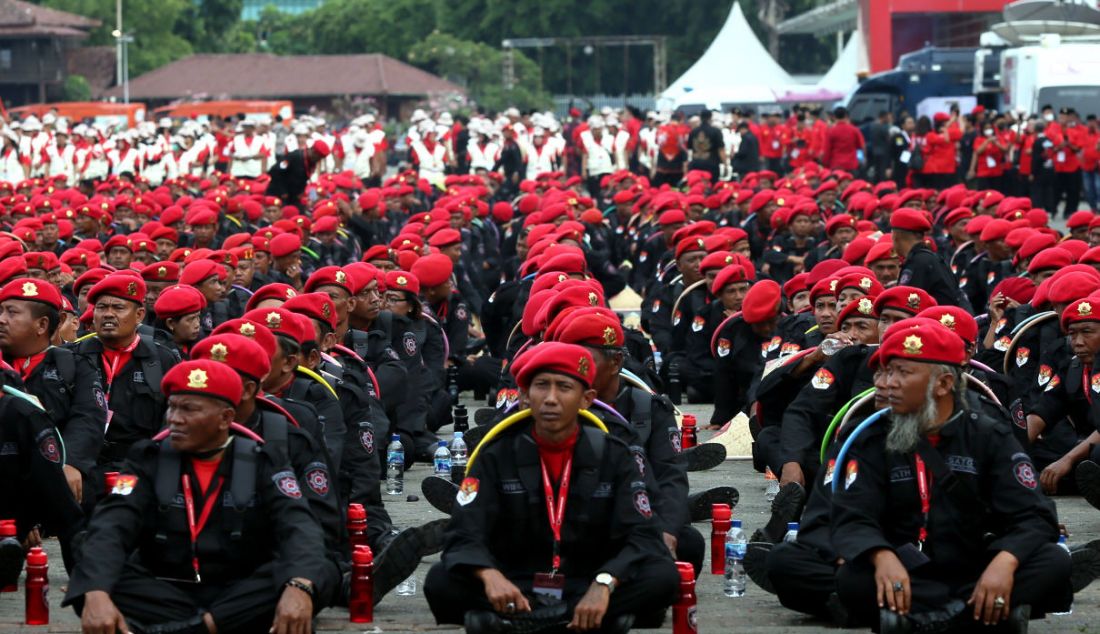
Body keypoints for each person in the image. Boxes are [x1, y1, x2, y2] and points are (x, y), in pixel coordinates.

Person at [63, 360, 338, 634]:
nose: (174, 418)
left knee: (313, 573)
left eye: (189, 409)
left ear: (226, 418)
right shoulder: (147, 459)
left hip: (239, 588)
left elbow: (298, 526)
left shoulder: (264, 460)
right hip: (167, 589)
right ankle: (213, 625)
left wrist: (299, 584)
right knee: (91, 566)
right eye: (172, 406)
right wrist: (96, 591)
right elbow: (112, 523)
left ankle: (186, 627)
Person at [831, 323, 1072, 631]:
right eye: (883, 372)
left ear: (943, 383)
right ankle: (976, 618)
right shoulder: (867, 438)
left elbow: (1036, 515)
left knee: (1054, 561)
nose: (885, 383)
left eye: (901, 373)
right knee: (851, 578)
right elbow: (851, 516)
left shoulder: (988, 435)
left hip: (977, 566)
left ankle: (920, 621)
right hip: (905, 570)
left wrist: (1005, 561)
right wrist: (881, 556)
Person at [424, 342, 679, 633]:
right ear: (524, 397)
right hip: (515, 581)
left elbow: (642, 534)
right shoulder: (495, 453)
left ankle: (516, 623)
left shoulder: (615, 454)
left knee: (662, 576)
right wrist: (489, 574)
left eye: (564, 388)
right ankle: (591, 621)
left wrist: (605, 583)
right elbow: (463, 531)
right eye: (541, 386)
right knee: (440, 580)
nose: (551, 399)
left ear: (587, 399)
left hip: (588, 579)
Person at [0, 277, 105, 503]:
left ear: (42, 325)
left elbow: (87, 417)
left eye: (11, 313)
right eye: (0, 311)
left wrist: (72, 463)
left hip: (57, 477)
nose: (1, 320)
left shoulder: (75, 366)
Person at [823, 107, 864, 172]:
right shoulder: (854, 130)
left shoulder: (830, 131)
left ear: (834, 117)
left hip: (836, 164)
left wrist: (826, 164)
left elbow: (827, 150)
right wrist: (863, 159)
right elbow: (861, 146)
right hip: (851, 164)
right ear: (846, 116)